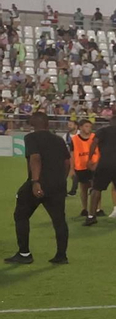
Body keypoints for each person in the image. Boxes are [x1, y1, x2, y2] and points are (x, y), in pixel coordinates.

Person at [6, 110, 71, 265]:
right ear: (47, 124)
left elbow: (35, 158)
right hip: (57, 185)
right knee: (59, 220)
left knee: (21, 215)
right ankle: (61, 255)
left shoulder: (31, 138)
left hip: (38, 184)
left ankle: (24, 254)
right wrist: (61, 179)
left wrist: (35, 182)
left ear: (32, 124)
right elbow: (67, 162)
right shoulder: (59, 140)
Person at [88, 113, 116, 226]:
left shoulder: (102, 131)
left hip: (105, 163)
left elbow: (94, 143)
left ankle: (91, 216)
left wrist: (90, 158)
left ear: (110, 123)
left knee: (96, 189)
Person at [69, 119, 96, 220]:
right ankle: (84, 208)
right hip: (80, 167)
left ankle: (97, 208)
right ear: (80, 127)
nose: (88, 128)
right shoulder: (74, 139)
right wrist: (72, 168)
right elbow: (72, 155)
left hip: (94, 166)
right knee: (83, 188)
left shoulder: (94, 137)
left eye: (90, 126)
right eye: (86, 126)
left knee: (96, 187)